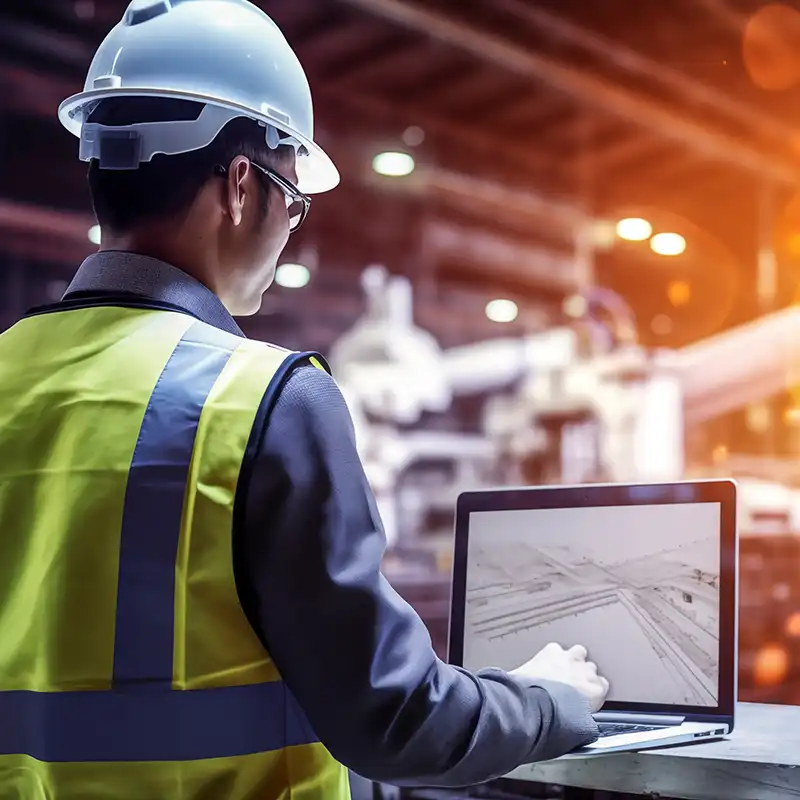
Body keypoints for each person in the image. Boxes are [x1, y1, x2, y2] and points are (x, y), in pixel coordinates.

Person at [0, 1, 609, 798]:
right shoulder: (261, 400)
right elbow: (394, 718)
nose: (293, 222)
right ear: (243, 185)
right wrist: (546, 700)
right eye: (295, 196)